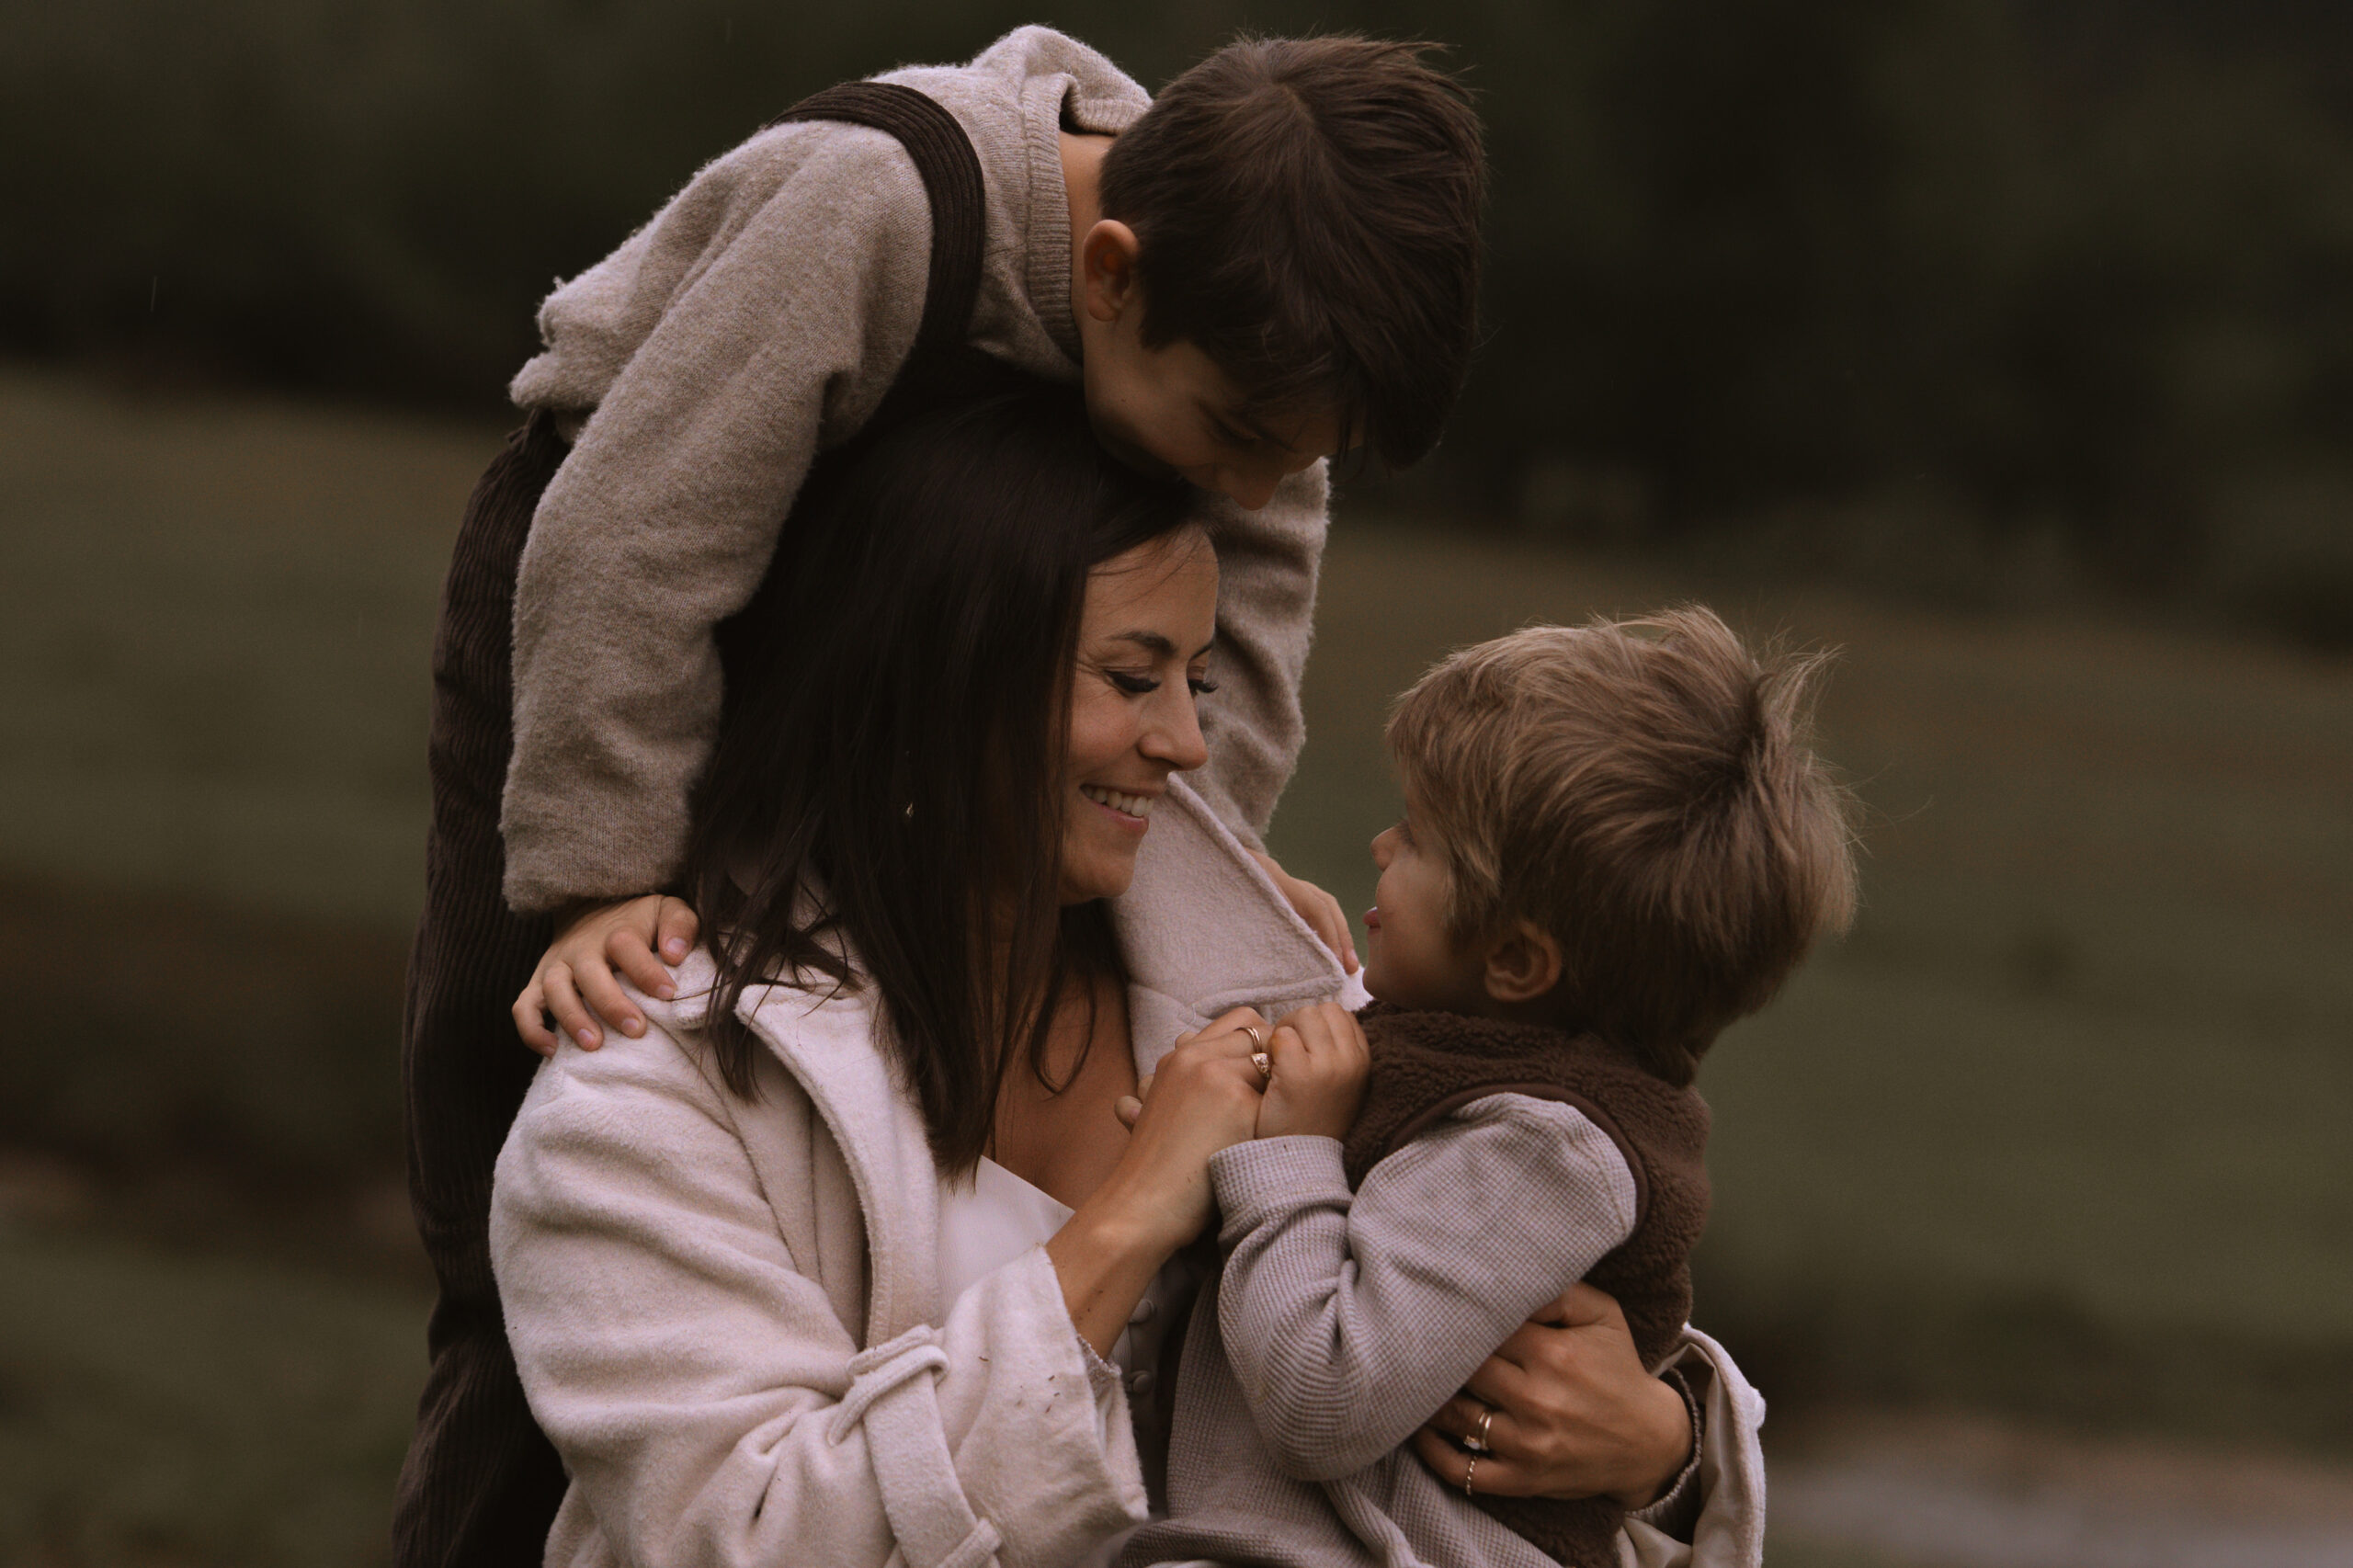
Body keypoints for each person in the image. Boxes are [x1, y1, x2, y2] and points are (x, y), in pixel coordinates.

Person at [397, 30, 1484, 1562]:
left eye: (1295, 459)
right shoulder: (874, 209)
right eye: (1241, 444)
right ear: (1106, 274)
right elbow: (632, 553)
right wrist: (599, 880)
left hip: (955, 631)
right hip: (606, 581)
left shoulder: (1247, 346)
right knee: (543, 1096)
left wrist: (1180, 883)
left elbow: (1243, 640)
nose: (1255, 487)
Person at [486, 387, 1746, 1567]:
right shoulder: (646, 1099)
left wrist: (1664, 1446)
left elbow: (1475, 1295)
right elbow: (746, 1534)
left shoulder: (1299, 1010)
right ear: (936, 678)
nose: (1189, 743)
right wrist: (1133, 1213)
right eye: (1133, 678)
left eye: (1196, 682)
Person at [1114, 611, 1859, 1568]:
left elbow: (1321, 1397)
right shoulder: (1465, 1064)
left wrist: (1277, 1157)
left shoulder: (1544, 1148)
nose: (1381, 844)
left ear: (1513, 957)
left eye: (1419, 837)